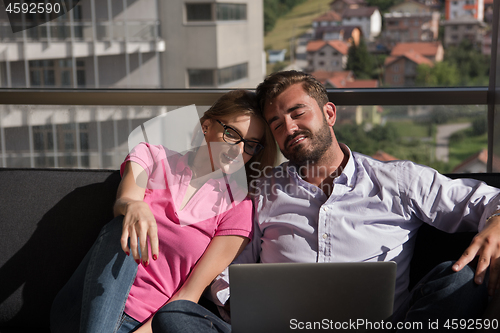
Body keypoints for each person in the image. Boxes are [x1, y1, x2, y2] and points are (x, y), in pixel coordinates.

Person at [152, 71, 500, 333]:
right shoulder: (262, 190)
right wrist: (244, 309)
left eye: (298, 113)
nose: (288, 128)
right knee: (175, 316)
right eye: (276, 123)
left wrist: (497, 222)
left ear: (329, 113)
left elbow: (487, 200)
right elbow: (229, 273)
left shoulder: (399, 180)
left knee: (460, 280)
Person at [50, 90, 278, 333]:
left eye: (250, 144)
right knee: (124, 223)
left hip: (142, 325)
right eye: (232, 134)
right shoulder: (152, 156)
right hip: (84, 308)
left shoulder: (238, 208)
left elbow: (189, 294)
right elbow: (124, 200)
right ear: (206, 126)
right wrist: (133, 205)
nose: (238, 150)